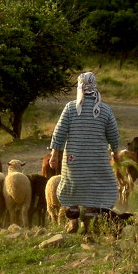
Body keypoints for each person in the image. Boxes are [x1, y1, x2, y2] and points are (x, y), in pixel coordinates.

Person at [49, 71, 121, 233]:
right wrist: (116, 154)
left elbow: (59, 133)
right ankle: (91, 217)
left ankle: (74, 220)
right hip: (97, 159)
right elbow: (114, 135)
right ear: (94, 86)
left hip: (74, 160)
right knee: (99, 184)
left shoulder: (71, 108)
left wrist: (54, 154)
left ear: (80, 86)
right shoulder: (105, 110)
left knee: (74, 185)